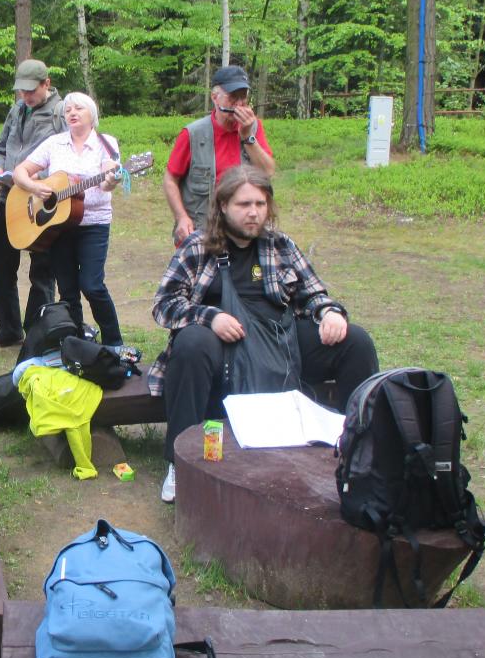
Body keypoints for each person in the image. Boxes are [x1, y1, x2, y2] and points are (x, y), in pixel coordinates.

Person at [150, 165, 378, 503]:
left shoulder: (280, 245)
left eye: (260, 203)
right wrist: (210, 317)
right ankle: (179, 464)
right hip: (223, 349)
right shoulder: (197, 246)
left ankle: (355, 452)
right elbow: (164, 304)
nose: (254, 212)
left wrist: (330, 312)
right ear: (223, 205)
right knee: (190, 343)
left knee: (355, 342)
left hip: (280, 343)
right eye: (244, 204)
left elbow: (314, 293)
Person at [12, 92, 124, 347]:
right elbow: (20, 171)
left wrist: (111, 180)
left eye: (78, 109)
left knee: (92, 285)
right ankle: (76, 344)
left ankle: (114, 343)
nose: (72, 113)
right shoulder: (54, 143)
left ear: (91, 114)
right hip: (59, 227)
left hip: (94, 223)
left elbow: (107, 181)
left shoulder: (106, 144)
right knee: (67, 290)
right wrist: (35, 187)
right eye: (68, 110)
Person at [0, 59, 63, 349]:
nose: (25, 96)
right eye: (21, 91)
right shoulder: (16, 110)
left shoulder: (61, 113)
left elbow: (67, 157)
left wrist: (38, 176)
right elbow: (1, 147)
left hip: (41, 202)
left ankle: (37, 334)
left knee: (42, 270)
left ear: (46, 84)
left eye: (31, 90)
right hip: (9, 197)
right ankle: (8, 329)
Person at [163, 65, 275, 245]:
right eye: (232, 97)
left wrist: (248, 137)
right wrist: (181, 217)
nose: (239, 104)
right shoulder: (193, 134)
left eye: (243, 97)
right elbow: (170, 179)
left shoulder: (254, 128)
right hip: (202, 229)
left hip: (242, 230)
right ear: (215, 97)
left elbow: (267, 172)